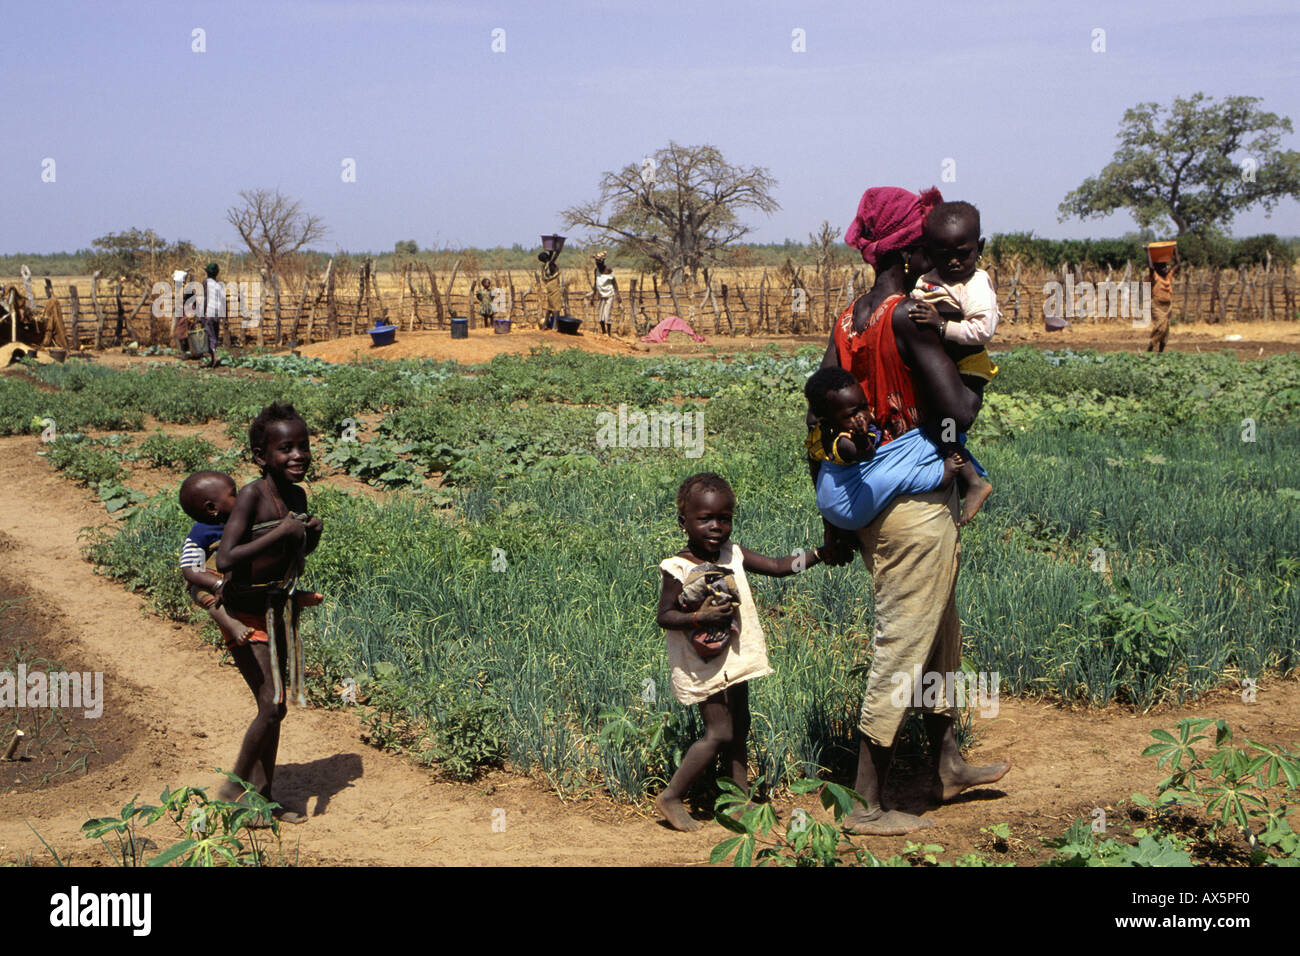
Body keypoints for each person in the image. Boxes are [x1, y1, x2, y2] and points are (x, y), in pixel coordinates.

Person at [815, 185, 1010, 836]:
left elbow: (815, 419)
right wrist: (978, 369)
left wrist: (832, 520)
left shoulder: (848, 320)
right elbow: (959, 411)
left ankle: (946, 762)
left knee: (939, 639)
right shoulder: (907, 315)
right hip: (916, 512)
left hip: (874, 506)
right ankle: (866, 801)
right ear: (912, 246)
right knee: (902, 645)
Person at [654, 472, 833, 832]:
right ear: (683, 522)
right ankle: (672, 796)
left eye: (725, 518)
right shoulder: (678, 568)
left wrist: (820, 553)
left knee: (740, 727)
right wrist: (699, 617)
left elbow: (781, 566)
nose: (716, 526)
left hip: (735, 658)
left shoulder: (733, 553)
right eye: (705, 519)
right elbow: (665, 615)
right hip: (705, 664)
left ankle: (740, 800)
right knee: (719, 732)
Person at [214, 402, 323, 823]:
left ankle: (262, 800)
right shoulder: (251, 496)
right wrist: (281, 530)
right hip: (243, 613)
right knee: (273, 704)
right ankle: (234, 787)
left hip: (277, 609)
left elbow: (291, 552)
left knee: (273, 706)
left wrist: (308, 536)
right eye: (286, 448)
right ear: (262, 457)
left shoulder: (296, 496)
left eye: (303, 446)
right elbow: (226, 558)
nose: (298, 455)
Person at [804, 366, 989, 528]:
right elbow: (866, 455)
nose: (864, 416)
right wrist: (861, 438)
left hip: (829, 503)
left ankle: (963, 468)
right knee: (890, 477)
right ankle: (941, 475)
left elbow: (814, 463)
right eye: (853, 413)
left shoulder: (823, 431)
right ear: (828, 419)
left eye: (864, 406)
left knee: (937, 431)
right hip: (847, 507)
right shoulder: (844, 440)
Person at [179, 470, 322, 648]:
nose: (240, 499)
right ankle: (234, 625)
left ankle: (292, 597)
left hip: (249, 578)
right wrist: (217, 583)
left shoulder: (250, 521)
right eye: (233, 495)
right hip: (215, 580)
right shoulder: (201, 531)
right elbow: (189, 567)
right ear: (211, 508)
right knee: (201, 594)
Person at [1147, 251, 1178, 353]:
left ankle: (1160, 354)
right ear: (1157, 269)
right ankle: (1149, 349)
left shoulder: (1168, 277)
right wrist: (1148, 252)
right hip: (1157, 306)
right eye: (1162, 267)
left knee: (1166, 332)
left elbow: (1178, 264)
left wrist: (1175, 249)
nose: (1165, 269)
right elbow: (1151, 268)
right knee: (1161, 328)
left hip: (1167, 307)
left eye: (1166, 267)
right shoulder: (1155, 277)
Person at [201, 262, 224, 367]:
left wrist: (203, 312)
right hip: (217, 313)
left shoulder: (206, 282)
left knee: (209, 335)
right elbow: (223, 301)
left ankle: (214, 356)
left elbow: (205, 298)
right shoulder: (219, 285)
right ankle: (213, 359)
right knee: (214, 336)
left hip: (209, 312)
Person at [594, 254, 618, 335]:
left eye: (599, 263)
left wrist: (618, 295)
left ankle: (609, 333)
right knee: (600, 315)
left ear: (603, 262)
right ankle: (603, 331)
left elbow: (614, 283)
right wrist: (593, 295)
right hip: (601, 295)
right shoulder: (596, 271)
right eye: (596, 262)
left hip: (609, 294)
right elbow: (595, 283)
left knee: (607, 314)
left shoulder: (608, 270)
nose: (597, 264)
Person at [539, 249, 562, 329]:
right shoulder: (550, 264)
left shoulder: (545, 266)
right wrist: (557, 248)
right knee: (556, 306)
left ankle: (545, 325)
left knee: (550, 305)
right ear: (546, 258)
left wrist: (551, 250)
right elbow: (556, 255)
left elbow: (551, 255)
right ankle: (555, 326)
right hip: (554, 285)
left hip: (548, 285)